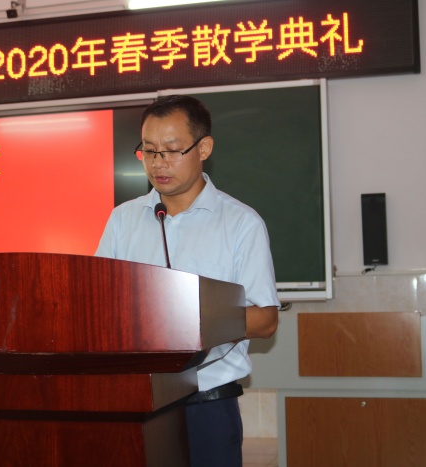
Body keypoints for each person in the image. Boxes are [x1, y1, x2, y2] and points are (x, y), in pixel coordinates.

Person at [95, 95, 280, 467]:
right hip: (135, 405)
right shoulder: (123, 220)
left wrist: (190, 323)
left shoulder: (240, 223)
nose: (158, 163)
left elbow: (265, 319)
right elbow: (98, 302)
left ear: (204, 148)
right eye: (149, 151)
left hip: (207, 406)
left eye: (171, 150)